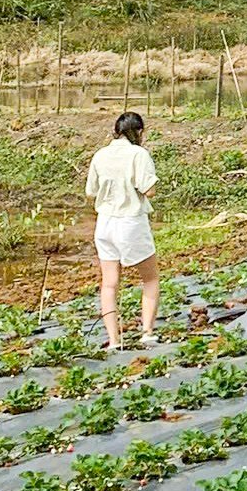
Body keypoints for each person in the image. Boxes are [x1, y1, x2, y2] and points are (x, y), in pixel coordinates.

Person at [85, 111, 159, 351]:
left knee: (109, 283)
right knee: (150, 278)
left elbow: (91, 192)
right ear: (140, 132)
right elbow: (150, 190)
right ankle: (147, 333)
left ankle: (114, 341)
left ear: (115, 132)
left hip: (105, 223)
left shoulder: (100, 155)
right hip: (130, 222)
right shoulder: (139, 154)